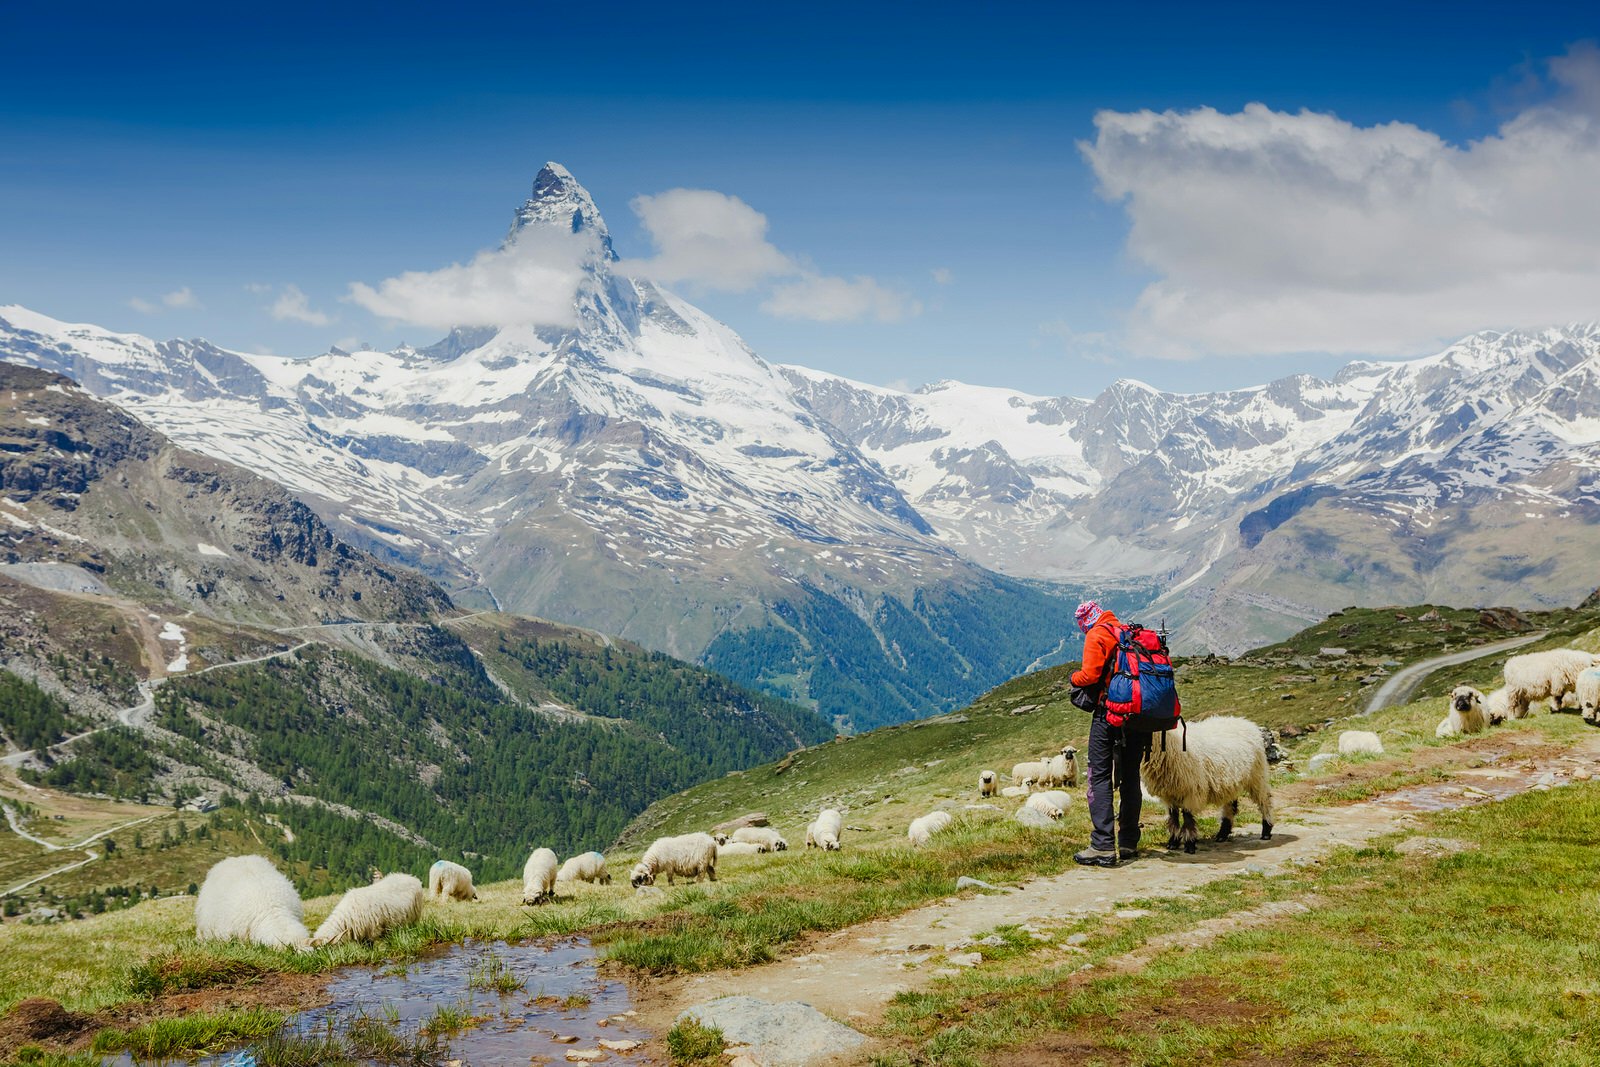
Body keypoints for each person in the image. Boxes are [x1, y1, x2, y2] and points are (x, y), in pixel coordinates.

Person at [1068, 599, 1141, 867]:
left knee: (1098, 775)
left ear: (1085, 620)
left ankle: (1102, 845)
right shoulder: (1124, 631)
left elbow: (1089, 675)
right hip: (1137, 715)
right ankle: (1129, 841)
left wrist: (1073, 678)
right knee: (1131, 775)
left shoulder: (1097, 635)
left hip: (1108, 713)